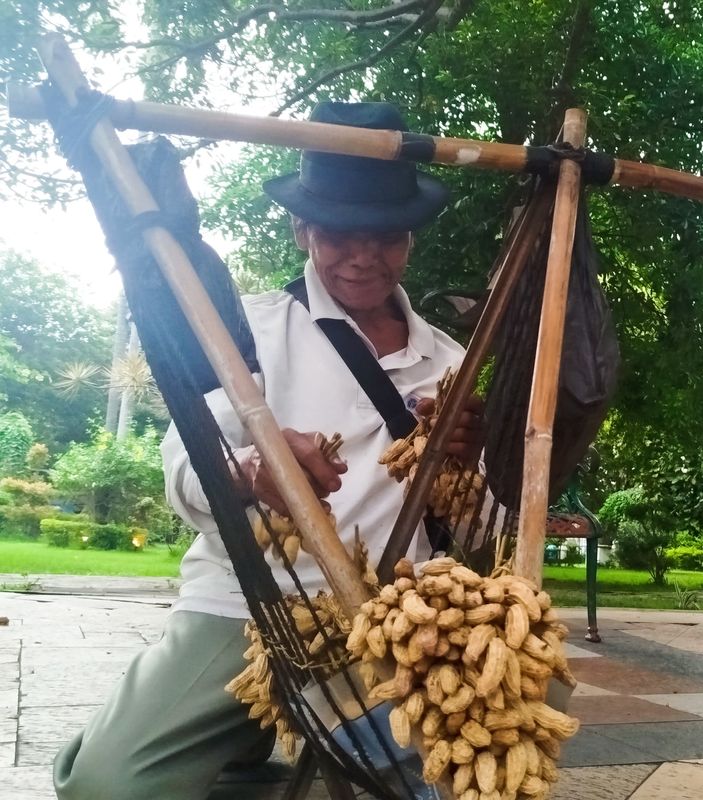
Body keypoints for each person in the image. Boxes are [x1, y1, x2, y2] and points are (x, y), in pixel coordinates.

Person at [54, 101, 484, 800]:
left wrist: (467, 464)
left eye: (384, 237)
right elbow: (185, 471)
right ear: (302, 231)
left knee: (489, 751)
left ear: (408, 240)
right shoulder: (243, 331)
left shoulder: (451, 361)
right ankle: (247, 741)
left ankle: (274, 746)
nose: (363, 256)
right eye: (339, 235)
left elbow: (482, 531)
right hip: (255, 604)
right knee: (106, 786)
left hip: (397, 618)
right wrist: (251, 471)